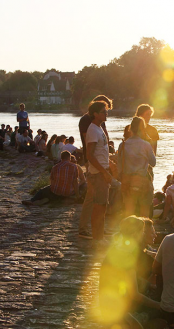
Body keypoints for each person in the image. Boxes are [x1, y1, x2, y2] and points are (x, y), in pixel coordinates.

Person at [98, 216, 161, 328]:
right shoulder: (127, 254)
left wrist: (149, 285)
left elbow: (130, 278)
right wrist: (159, 306)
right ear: (134, 234)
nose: (142, 235)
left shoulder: (118, 247)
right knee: (160, 312)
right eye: (142, 232)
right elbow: (134, 294)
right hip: (117, 309)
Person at [82, 100, 112, 244]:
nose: (106, 113)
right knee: (99, 206)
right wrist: (103, 172)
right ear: (95, 114)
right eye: (103, 112)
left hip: (101, 171)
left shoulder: (99, 129)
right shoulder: (93, 130)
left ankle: (99, 236)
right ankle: (97, 238)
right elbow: (90, 155)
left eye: (106, 111)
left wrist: (109, 165)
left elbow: (101, 152)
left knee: (102, 205)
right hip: (98, 174)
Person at [118, 116, 156, 218]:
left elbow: (119, 166)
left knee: (129, 212)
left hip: (127, 181)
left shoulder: (123, 145)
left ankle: (129, 231)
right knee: (144, 211)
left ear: (131, 129)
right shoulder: (146, 144)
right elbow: (153, 162)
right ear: (142, 129)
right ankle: (144, 231)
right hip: (142, 180)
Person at [78, 95, 112, 165]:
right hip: (94, 162)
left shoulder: (100, 121)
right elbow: (87, 140)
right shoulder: (86, 120)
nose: (106, 113)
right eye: (104, 110)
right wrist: (88, 160)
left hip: (102, 159)